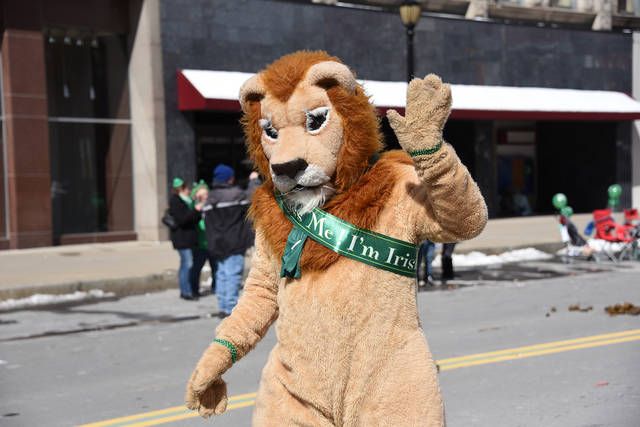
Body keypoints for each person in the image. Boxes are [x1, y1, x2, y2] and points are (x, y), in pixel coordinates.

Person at [204, 164, 259, 317]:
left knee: (221, 274)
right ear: (230, 178)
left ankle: (223, 306)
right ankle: (230, 308)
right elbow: (254, 196)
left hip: (217, 243)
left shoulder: (211, 197)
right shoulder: (234, 195)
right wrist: (254, 181)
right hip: (234, 242)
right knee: (233, 274)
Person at [168, 177, 203, 300]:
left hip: (189, 238)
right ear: (181, 189)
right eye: (188, 188)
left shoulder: (188, 201)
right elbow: (182, 220)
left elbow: (193, 218)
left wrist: (196, 211)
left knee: (186, 264)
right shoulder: (176, 201)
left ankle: (187, 290)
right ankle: (186, 292)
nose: (190, 190)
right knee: (187, 264)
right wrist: (195, 210)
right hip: (182, 239)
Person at [190, 180, 217, 296]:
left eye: (206, 194)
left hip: (211, 243)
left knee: (215, 268)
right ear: (197, 195)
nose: (205, 196)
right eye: (202, 194)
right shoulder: (193, 206)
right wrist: (198, 207)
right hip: (199, 244)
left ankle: (216, 288)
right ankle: (194, 290)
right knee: (196, 268)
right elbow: (190, 220)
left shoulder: (211, 206)